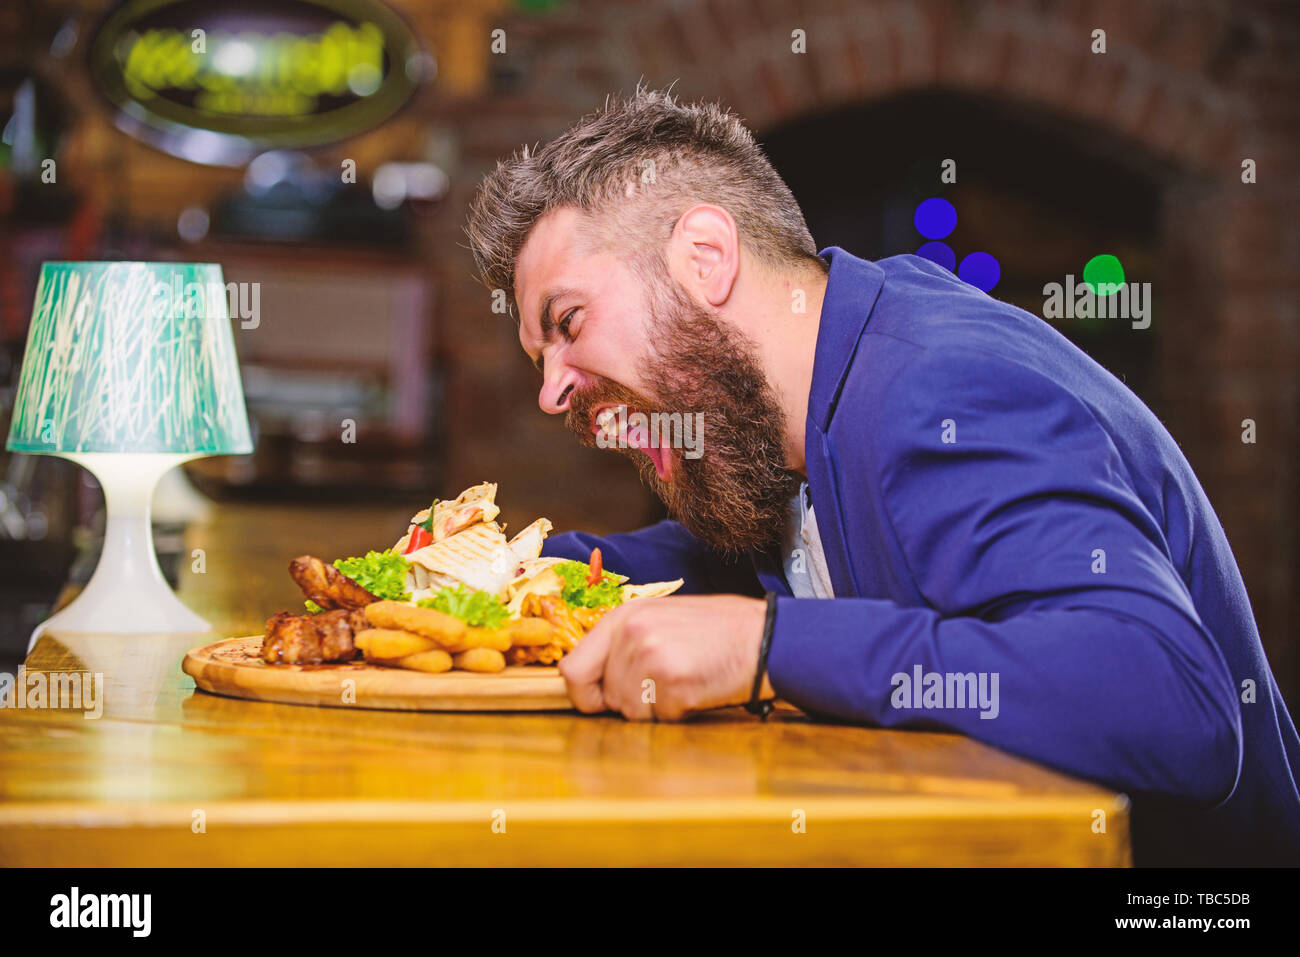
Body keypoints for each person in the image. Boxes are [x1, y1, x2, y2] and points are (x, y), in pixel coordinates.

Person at [465, 87, 1300, 865]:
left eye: (568, 322)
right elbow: (717, 562)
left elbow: (1175, 702)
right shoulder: (791, 427)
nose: (551, 392)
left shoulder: (939, 388)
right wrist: (489, 581)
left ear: (705, 256)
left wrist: (766, 649)